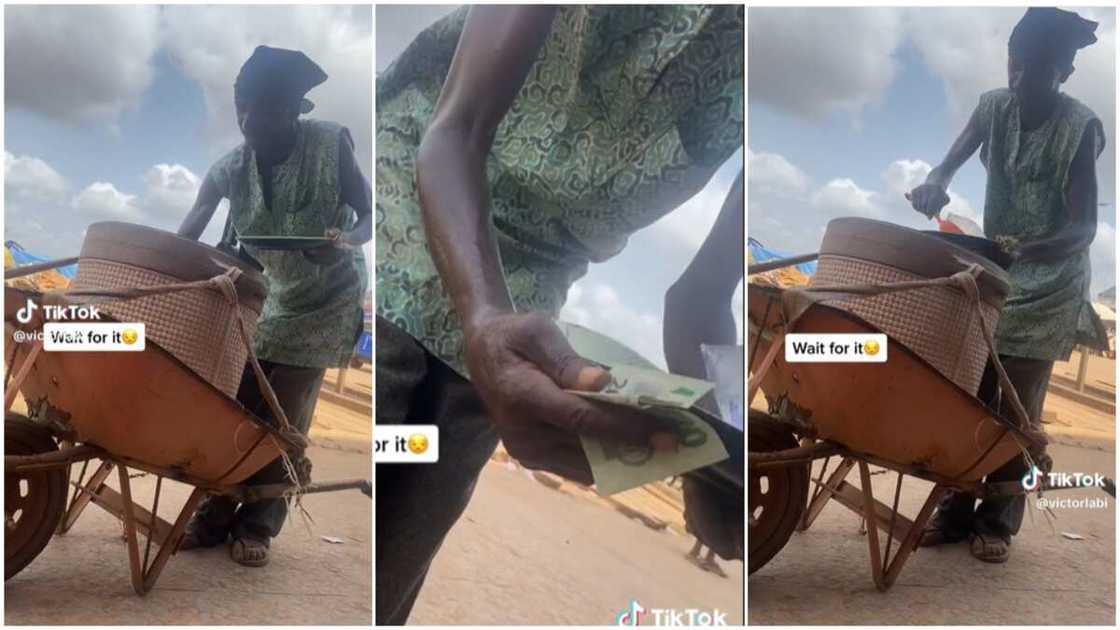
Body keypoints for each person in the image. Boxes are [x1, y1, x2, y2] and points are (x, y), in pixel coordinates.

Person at [376, 5, 743, 623]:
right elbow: (455, 132)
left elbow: (701, 298)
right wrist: (483, 315)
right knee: (382, 441)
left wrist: (717, 464)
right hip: (417, 202)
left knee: (402, 542)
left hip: (528, 300)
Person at [908, 7, 1106, 563]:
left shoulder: (1080, 126)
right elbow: (948, 163)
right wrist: (934, 183)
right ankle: (952, 510)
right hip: (998, 271)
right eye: (1014, 66)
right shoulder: (994, 105)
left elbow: (1084, 228)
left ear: (1062, 73)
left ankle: (998, 521)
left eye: (1037, 69)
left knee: (1017, 412)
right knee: (971, 396)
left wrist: (1024, 251)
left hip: (1050, 278)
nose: (1020, 80)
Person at [176, 45, 372, 567]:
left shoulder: (330, 144)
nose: (246, 119)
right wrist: (168, 270)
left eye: (260, 108)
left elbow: (368, 214)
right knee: (237, 405)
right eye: (242, 107)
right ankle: (212, 516)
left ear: (290, 112)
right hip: (271, 294)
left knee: (285, 413)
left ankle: (259, 524)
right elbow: (192, 225)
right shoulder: (229, 168)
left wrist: (346, 241)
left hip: (328, 296)